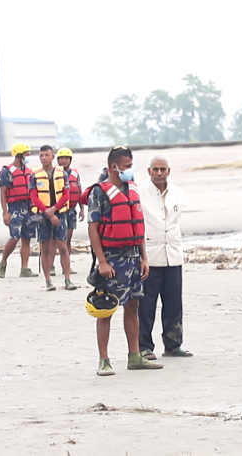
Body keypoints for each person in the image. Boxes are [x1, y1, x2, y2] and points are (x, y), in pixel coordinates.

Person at [87, 146, 163, 375]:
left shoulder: (132, 188)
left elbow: (137, 225)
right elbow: (93, 229)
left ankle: (135, 356)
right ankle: (104, 360)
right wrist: (101, 261)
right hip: (112, 258)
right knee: (106, 308)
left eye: (131, 166)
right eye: (127, 166)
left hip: (133, 257)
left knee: (133, 305)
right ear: (114, 167)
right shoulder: (99, 193)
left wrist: (144, 258)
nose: (131, 171)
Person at [138, 154, 192, 360]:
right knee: (146, 305)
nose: (159, 173)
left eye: (163, 169)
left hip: (173, 255)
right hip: (150, 256)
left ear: (168, 171)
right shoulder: (140, 193)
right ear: (149, 172)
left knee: (173, 303)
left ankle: (173, 344)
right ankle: (144, 346)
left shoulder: (177, 192)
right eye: (155, 169)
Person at [30, 145, 76, 291]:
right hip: (43, 216)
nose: (43, 158)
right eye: (41, 155)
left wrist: (54, 210)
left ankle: (67, 279)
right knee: (45, 249)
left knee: (63, 247)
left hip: (60, 213)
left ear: (52, 157)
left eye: (46, 155)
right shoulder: (35, 175)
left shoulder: (62, 173)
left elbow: (66, 195)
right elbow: (33, 197)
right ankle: (48, 280)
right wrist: (47, 212)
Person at [0, 142, 38, 278]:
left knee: (27, 238)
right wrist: (5, 212)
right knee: (15, 237)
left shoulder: (29, 171)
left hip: (29, 208)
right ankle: (3, 261)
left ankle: (24, 268)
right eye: (27, 155)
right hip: (15, 208)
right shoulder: (7, 171)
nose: (29, 157)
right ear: (19, 155)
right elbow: (3, 192)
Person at [56, 147, 85, 275]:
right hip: (59, 210)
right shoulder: (54, 173)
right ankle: (51, 265)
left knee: (68, 238)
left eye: (66, 158)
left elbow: (79, 190)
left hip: (72, 210)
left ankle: (66, 266)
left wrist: (82, 209)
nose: (64, 161)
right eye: (61, 158)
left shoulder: (75, 174)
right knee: (55, 240)